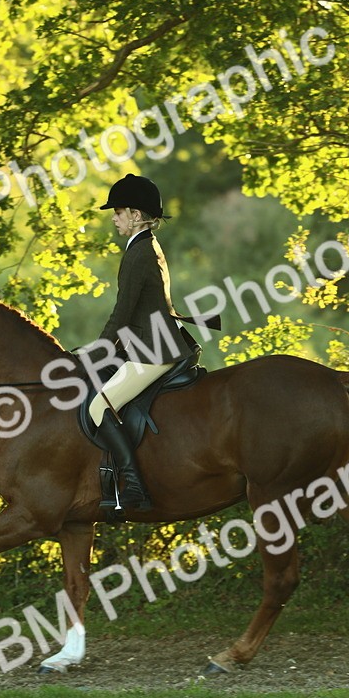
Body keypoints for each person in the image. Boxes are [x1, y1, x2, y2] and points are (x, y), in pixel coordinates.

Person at [87, 173, 214, 511]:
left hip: (153, 351)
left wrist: (96, 354)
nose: (114, 218)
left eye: (118, 212)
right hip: (149, 343)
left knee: (98, 406)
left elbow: (122, 314)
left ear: (137, 215)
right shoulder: (144, 247)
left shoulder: (139, 254)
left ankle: (134, 488)